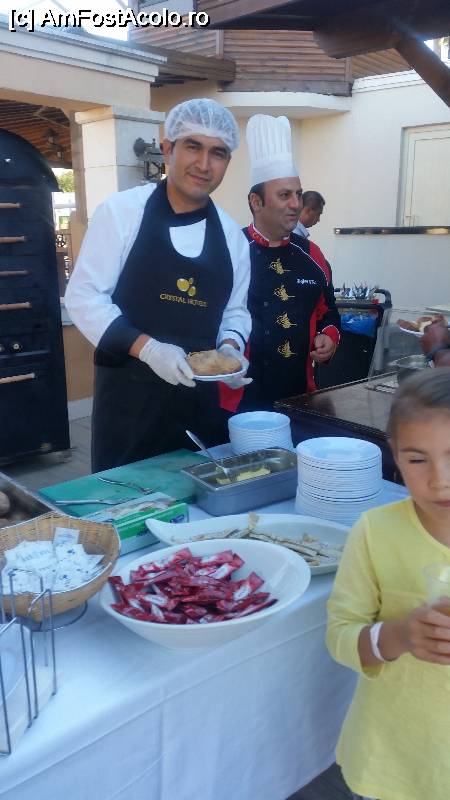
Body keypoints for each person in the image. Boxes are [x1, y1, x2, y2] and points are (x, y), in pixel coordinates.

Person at [65, 98, 252, 471]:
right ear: (168, 149)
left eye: (217, 153)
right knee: (125, 500)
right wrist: (150, 350)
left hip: (199, 412)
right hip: (128, 408)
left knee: (198, 499)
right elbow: (84, 297)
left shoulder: (233, 237)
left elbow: (235, 311)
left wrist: (229, 350)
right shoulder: (122, 213)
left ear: (227, 163)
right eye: (193, 147)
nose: (204, 164)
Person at [327, 367, 450, 800]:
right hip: (393, 762)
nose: (440, 479)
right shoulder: (375, 532)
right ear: (394, 454)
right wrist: (400, 635)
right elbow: (340, 636)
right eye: (417, 459)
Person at [220, 115, 340, 413]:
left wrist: (329, 337)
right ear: (256, 202)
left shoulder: (312, 254)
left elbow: (329, 312)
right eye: (284, 195)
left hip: (299, 397)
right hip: (237, 402)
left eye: (298, 195)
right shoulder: (229, 250)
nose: (296, 204)